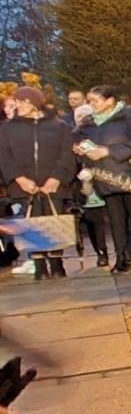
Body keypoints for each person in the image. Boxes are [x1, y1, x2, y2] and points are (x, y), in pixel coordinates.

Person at [74, 86, 131, 272]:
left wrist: (109, 151)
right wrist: (81, 150)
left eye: (95, 101)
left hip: (130, 174)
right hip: (105, 175)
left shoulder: (129, 117)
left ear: (109, 101)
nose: (91, 105)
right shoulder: (89, 124)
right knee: (116, 220)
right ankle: (121, 256)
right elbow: (79, 140)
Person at [1, 87, 75, 278]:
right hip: (23, 185)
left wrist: (57, 178)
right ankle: (39, 266)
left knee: (54, 221)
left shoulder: (59, 126)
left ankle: (57, 263)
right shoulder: (7, 128)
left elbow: (66, 155)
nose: (17, 106)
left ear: (32, 102)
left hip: (54, 184)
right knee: (31, 222)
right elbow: (4, 157)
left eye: (21, 101)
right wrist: (19, 178)